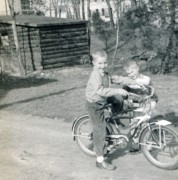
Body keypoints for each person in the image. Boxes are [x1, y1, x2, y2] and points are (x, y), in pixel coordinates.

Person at [85, 50, 128, 170]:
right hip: (95, 103)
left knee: (118, 101)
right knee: (100, 131)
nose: (103, 66)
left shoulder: (105, 73)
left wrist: (136, 82)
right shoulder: (95, 75)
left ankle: (115, 119)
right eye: (100, 63)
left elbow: (116, 79)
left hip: (103, 98)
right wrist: (118, 90)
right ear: (94, 63)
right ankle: (100, 160)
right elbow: (100, 91)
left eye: (105, 63)